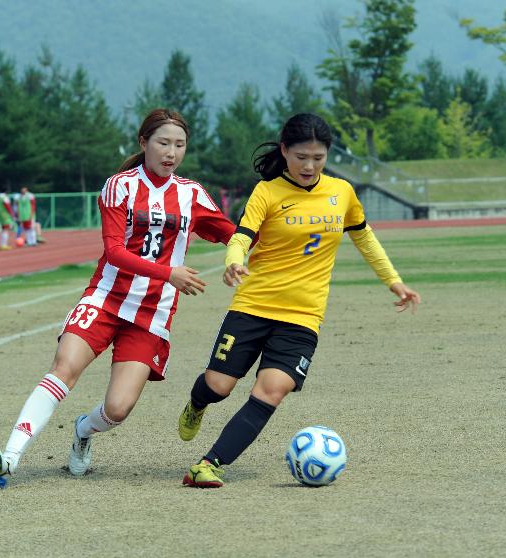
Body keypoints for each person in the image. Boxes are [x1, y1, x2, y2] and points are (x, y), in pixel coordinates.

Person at [0, 108, 237, 489]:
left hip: (151, 315)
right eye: (163, 142)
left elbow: (234, 233)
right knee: (64, 366)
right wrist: (169, 273)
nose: (171, 152)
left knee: (118, 409)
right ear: (143, 143)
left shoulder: (191, 195)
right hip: (106, 298)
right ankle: (10, 457)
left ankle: (83, 430)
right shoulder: (119, 186)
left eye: (179, 145)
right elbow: (115, 252)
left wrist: (271, 242)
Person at [177, 113, 421, 488]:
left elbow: (364, 237)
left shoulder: (342, 193)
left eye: (319, 158)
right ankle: (197, 403)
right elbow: (241, 236)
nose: (310, 166)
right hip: (252, 307)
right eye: (302, 156)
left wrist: (394, 281)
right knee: (219, 385)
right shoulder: (268, 191)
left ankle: (209, 464)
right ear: (285, 150)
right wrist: (233, 261)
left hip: (303, 316)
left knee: (272, 389)